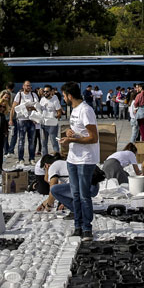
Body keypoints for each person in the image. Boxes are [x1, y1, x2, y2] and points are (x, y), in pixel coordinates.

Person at [59, 82, 99, 240]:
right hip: (73, 158)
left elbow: (93, 138)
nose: (63, 98)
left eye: (63, 95)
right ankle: (77, 225)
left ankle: (87, 227)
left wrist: (71, 141)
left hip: (85, 159)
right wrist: (70, 133)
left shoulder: (86, 110)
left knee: (84, 195)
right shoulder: (74, 109)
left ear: (69, 96)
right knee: (75, 195)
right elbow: (78, 132)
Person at [13, 81, 40, 165]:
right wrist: (11, 119)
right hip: (21, 120)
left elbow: (38, 107)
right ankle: (21, 159)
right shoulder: (19, 95)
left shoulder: (34, 95)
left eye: (29, 86)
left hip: (32, 120)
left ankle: (31, 158)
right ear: (23, 86)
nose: (28, 87)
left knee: (32, 141)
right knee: (21, 140)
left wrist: (29, 108)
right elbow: (14, 107)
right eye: (27, 85)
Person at [38, 85, 63, 157]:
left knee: (54, 142)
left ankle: (57, 158)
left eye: (47, 91)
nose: (45, 93)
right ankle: (45, 159)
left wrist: (55, 118)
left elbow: (59, 112)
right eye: (44, 91)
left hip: (52, 125)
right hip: (43, 124)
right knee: (43, 143)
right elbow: (39, 111)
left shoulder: (55, 99)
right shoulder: (42, 99)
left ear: (51, 91)